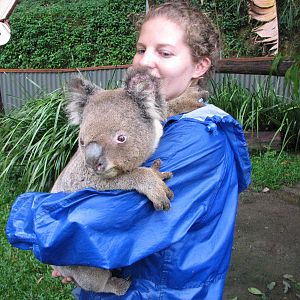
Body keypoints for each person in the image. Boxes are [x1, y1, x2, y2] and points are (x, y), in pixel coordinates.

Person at [6, 2, 251, 299]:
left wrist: (41, 230)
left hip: (155, 290)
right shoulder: (152, 113)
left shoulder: (199, 140)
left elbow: (99, 222)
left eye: (165, 52)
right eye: (141, 49)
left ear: (200, 65)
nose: (146, 62)